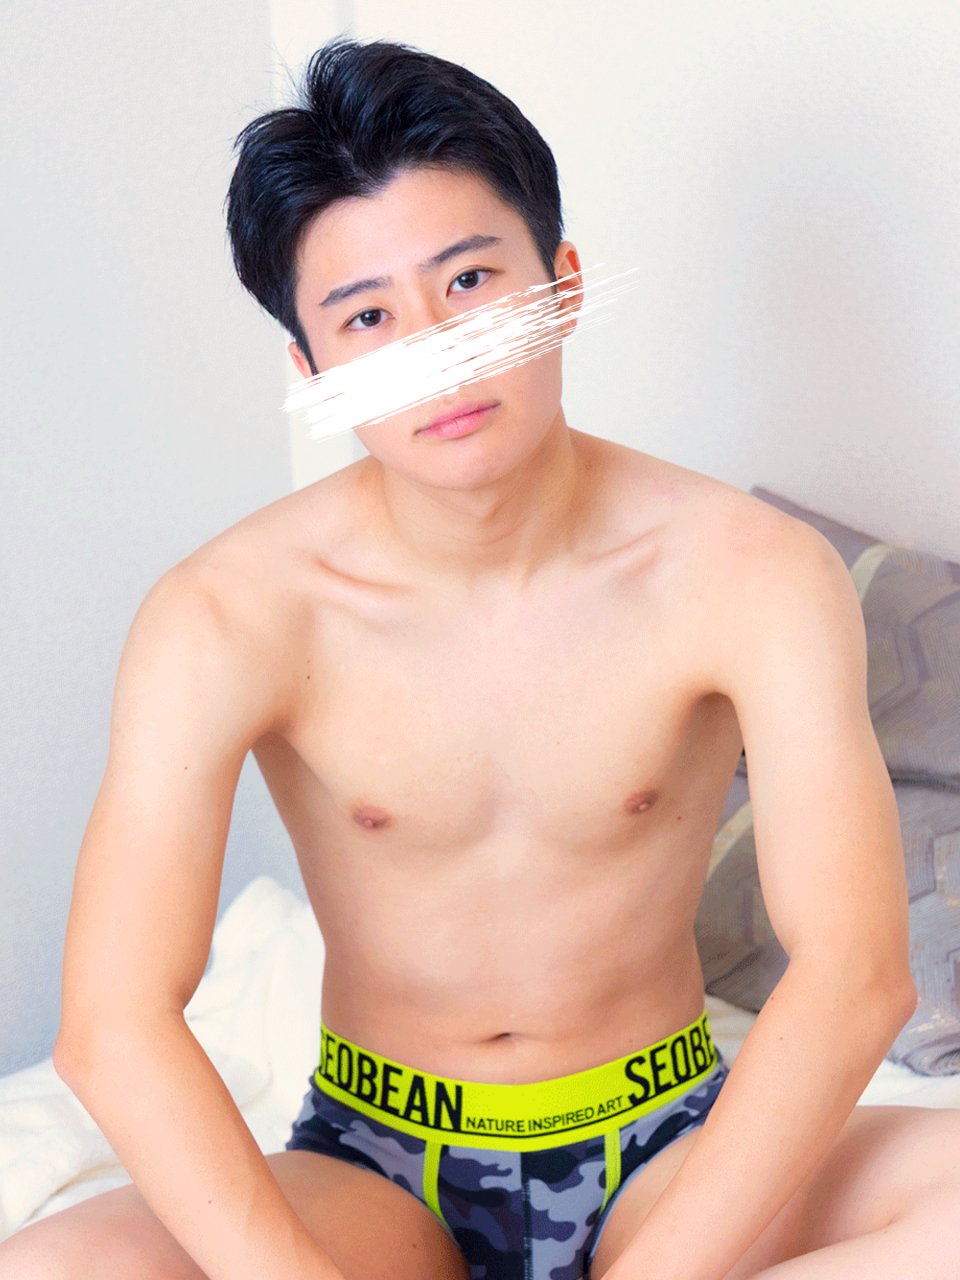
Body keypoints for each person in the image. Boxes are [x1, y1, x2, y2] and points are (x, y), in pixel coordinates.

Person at [3, 33, 959, 1280]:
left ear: (562, 282)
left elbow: (856, 974)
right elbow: (113, 1022)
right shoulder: (227, 613)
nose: (434, 349)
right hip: (372, 1161)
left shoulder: (749, 571)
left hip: (672, 1145)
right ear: (312, 369)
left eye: (468, 281)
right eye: (368, 316)